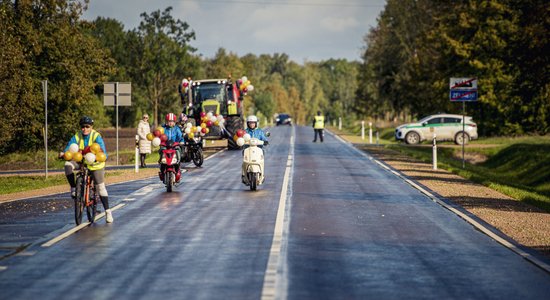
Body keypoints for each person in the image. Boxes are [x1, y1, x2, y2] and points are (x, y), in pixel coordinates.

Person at [58, 116, 113, 223]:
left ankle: (108, 212)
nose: (85, 129)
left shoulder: (96, 136)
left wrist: (103, 156)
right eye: (83, 127)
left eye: (87, 127)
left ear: (91, 127)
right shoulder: (77, 135)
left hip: (95, 163)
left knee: (101, 187)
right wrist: (64, 153)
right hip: (81, 160)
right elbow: (70, 146)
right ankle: (74, 188)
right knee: (67, 164)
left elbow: (102, 149)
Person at [159, 113, 184, 181]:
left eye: (172, 121)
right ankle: (162, 167)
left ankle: (178, 165)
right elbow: (159, 135)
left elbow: (180, 136)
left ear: (174, 122)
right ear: (166, 121)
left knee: (178, 151)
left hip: (174, 145)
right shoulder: (163, 128)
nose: (170, 123)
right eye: (169, 121)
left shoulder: (177, 129)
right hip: (165, 145)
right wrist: (159, 141)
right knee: (161, 151)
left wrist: (181, 141)